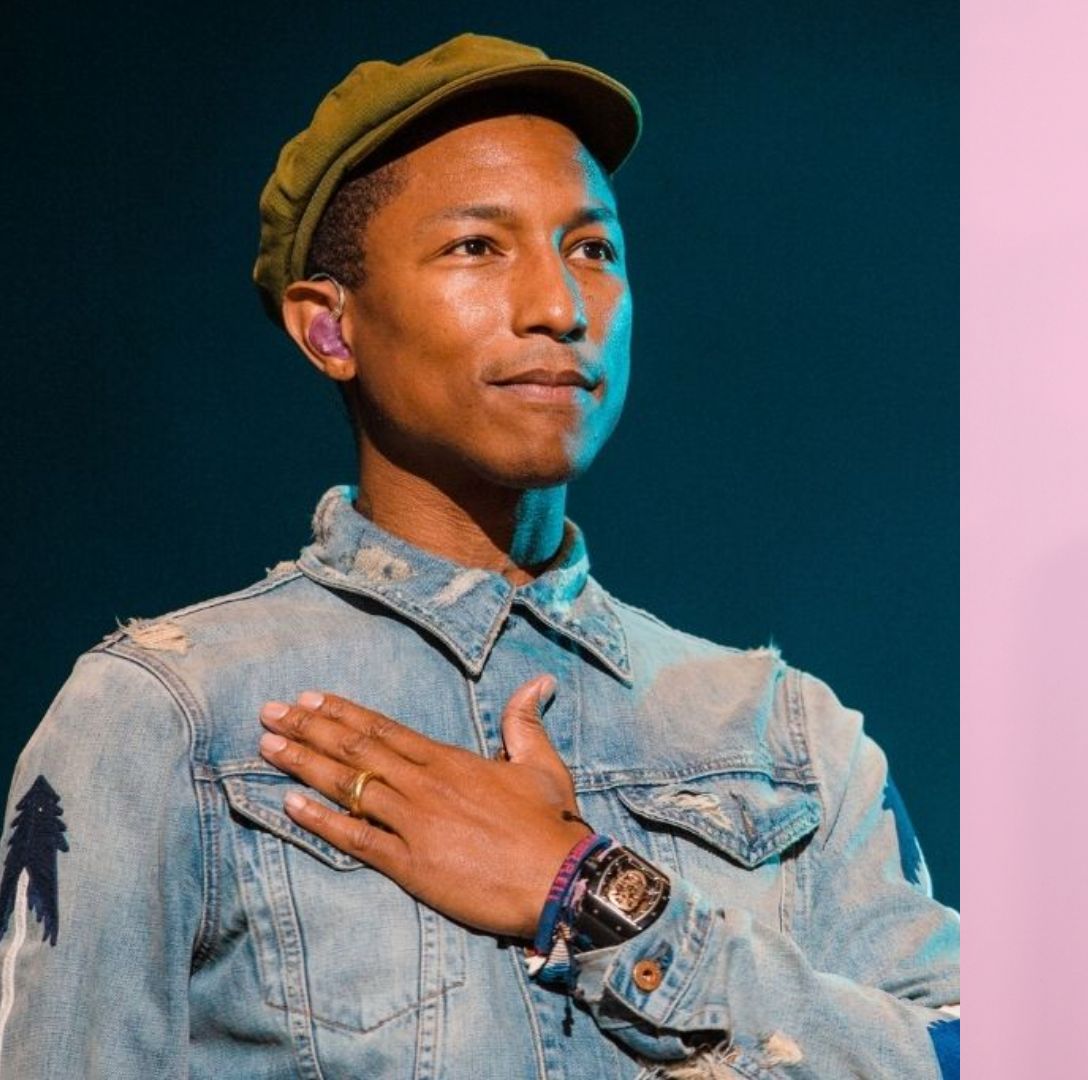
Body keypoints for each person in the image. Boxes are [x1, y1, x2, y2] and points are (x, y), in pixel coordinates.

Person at [0, 32, 959, 1079]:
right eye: (475, 247)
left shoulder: (783, 734)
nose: (558, 307)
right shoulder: (169, 716)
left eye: (592, 249)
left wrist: (591, 894)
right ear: (330, 330)